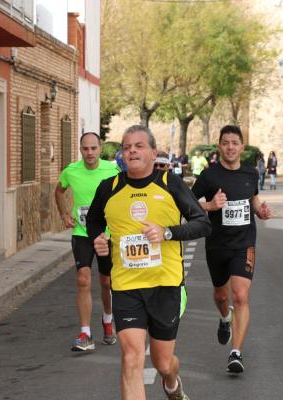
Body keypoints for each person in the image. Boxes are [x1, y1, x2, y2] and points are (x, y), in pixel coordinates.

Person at [87, 125, 211, 400]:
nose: (132, 150)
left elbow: (203, 224)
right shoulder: (109, 188)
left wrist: (167, 232)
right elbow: (94, 220)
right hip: (126, 286)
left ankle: (172, 382)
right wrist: (98, 238)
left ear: (154, 153)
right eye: (127, 146)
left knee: (163, 362)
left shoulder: (170, 183)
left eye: (139, 145)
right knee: (131, 357)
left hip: (165, 285)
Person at [192, 125, 272, 375]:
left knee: (240, 296)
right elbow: (189, 203)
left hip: (244, 243)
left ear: (241, 146)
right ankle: (224, 318)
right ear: (219, 146)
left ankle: (235, 352)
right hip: (217, 244)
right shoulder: (209, 176)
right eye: (225, 142)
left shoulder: (250, 173)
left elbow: (254, 199)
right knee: (221, 296)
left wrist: (261, 211)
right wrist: (210, 205)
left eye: (234, 142)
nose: (230, 147)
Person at [55, 132, 121, 351]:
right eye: (85, 149)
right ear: (80, 149)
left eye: (93, 148)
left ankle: (108, 319)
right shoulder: (71, 171)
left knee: (106, 282)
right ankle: (85, 333)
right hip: (82, 233)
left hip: (107, 234)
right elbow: (59, 190)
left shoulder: (112, 170)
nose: (89, 153)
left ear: (100, 149)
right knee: (83, 279)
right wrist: (64, 214)